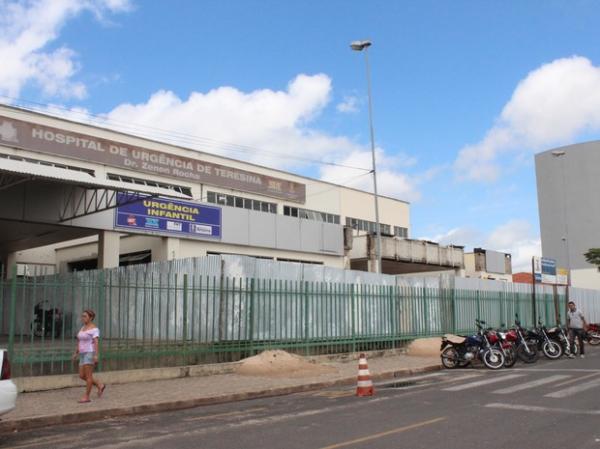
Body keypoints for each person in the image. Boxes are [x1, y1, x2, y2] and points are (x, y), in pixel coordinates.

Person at [72, 309, 105, 403]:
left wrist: (96, 355)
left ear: (91, 318)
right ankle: (99, 385)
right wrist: (76, 352)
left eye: (85, 316)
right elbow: (79, 341)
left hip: (89, 353)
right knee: (82, 375)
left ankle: (87, 396)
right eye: (82, 316)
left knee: (88, 376)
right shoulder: (83, 328)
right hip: (82, 353)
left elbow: (96, 342)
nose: (83, 318)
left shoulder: (94, 329)